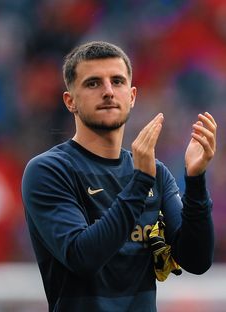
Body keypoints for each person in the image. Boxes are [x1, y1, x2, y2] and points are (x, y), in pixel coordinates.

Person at [21, 41, 217, 312]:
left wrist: (195, 181)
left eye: (117, 81)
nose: (108, 92)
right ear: (70, 101)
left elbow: (196, 261)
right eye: (93, 83)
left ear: (132, 95)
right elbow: (83, 257)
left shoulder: (154, 172)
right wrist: (139, 184)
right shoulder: (49, 170)